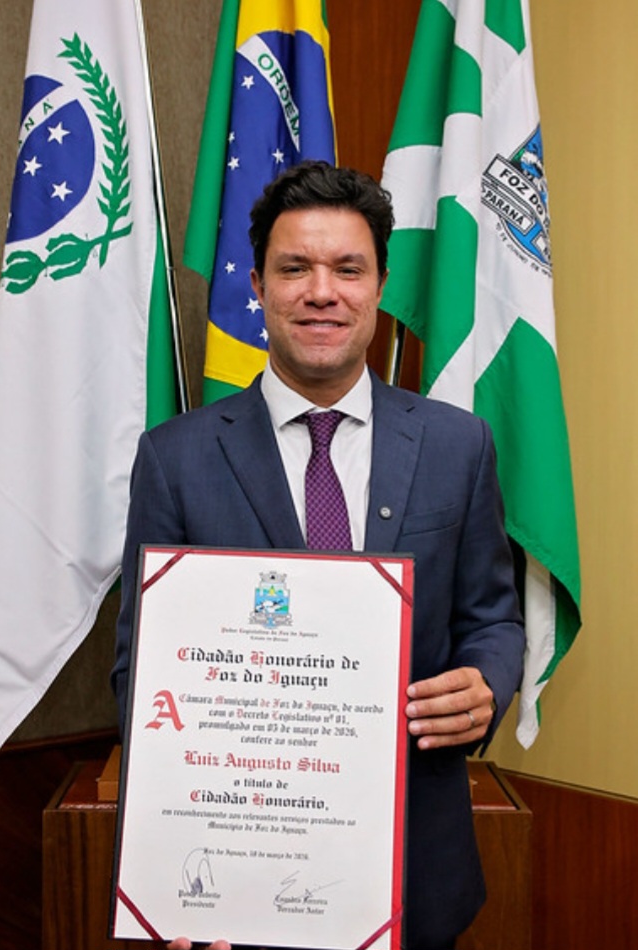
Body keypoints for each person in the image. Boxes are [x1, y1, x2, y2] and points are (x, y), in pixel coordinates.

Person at [112, 161, 525, 950]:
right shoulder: (174, 458)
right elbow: (142, 674)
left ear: (381, 287)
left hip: (415, 868)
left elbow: (492, 620)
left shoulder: (458, 446)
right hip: (234, 878)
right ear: (258, 287)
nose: (322, 292)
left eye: (348, 269)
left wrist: (486, 683)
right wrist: (175, 870)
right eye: (295, 268)